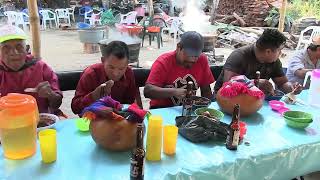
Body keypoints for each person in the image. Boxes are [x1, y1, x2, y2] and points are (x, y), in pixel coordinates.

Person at [214, 29, 303, 95]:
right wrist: (254, 83)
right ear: (268, 51)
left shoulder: (273, 61)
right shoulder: (239, 56)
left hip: (253, 100)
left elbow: (282, 83)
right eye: (279, 50)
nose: (281, 53)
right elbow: (229, 85)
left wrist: (291, 87)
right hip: (226, 100)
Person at [0, 25, 63, 114]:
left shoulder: (41, 67)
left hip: (40, 120)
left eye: (19, 47)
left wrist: (50, 95)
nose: (13, 53)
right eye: (6, 48)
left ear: (27, 49)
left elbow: (56, 103)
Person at [144, 31, 214, 109]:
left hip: (188, 108)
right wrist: (174, 92)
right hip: (161, 109)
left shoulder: (202, 59)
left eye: (196, 56)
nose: (192, 61)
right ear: (178, 47)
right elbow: (148, 91)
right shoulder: (164, 62)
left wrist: (208, 109)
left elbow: (206, 90)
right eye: (188, 55)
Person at [71, 41, 141, 115]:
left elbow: (129, 102)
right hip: (92, 120)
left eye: (121, 69)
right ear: (103, 61)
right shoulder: (91, 74)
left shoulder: (128, 73)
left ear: (127, 64)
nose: (115, 73)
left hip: (118, 119)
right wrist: (93, 96)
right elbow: (75, 108)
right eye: (111, 67)